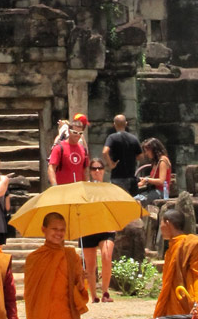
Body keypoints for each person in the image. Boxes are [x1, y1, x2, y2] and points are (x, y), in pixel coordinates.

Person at [80, 159, 117, 302]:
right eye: (94, 168)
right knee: (90, 265)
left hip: (106, 227)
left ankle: (105, 292)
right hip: (89, 228)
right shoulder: (84, 188)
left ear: (104, 170)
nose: (97, 171)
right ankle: (94, 295)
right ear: (89, 171)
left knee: (106, 256)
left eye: (100, 168)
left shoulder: (109, 187)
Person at [102, 113, 142, 194]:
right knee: (132, 201)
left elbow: (105, 151)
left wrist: (111, 164)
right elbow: (140, 156)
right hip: (131, 177)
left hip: (117, 177)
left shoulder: (112, 137)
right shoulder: (134, 138)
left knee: (118, 202)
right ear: (126, 124)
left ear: (114, 124)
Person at [46, 120, 89, 186]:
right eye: (75, 132)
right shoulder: (59, 148)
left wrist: (87, 185)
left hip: (78, 190)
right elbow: (51, 168)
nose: (77, 135)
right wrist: (55, 186)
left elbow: (85, 170)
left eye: (80, 133)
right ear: (69, 131)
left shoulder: (83, 150)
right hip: (63, 190)